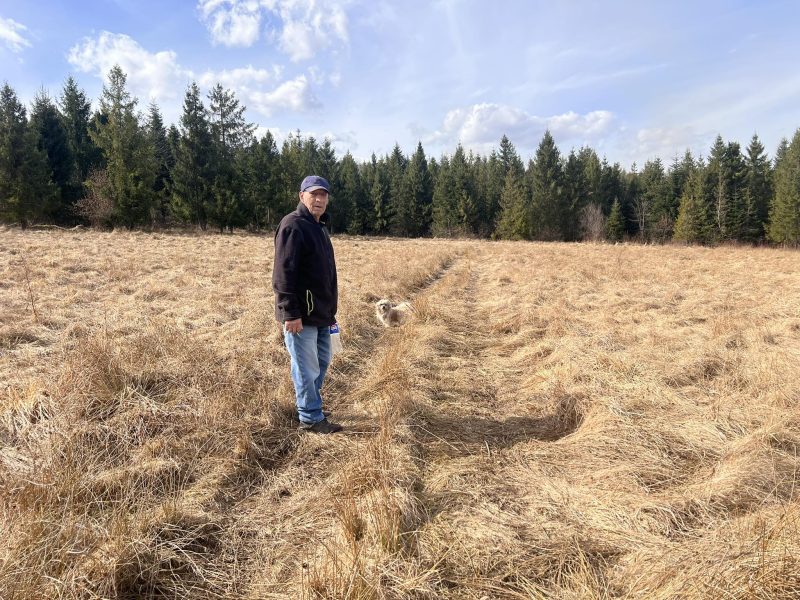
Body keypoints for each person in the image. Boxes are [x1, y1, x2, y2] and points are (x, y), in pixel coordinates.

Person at [272, 175, 343, 434]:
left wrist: (330, 313)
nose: (319, 199)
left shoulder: (318, 226)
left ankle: (312, 403)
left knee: (322, 361)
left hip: (322, 314)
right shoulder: (293, 225)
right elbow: (283, 273)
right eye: (314, 194)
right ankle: (310, 417)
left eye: (323, 195)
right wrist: (290, 312)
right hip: (300, 315)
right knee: (306, 366)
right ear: (302, 196)